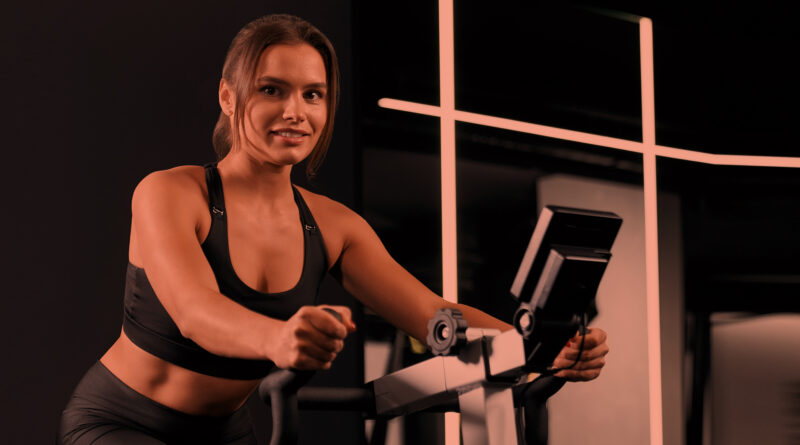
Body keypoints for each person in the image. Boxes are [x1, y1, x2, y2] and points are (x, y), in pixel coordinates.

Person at [58, 14, 609, 445]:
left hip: (226, 433)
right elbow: (194, 311)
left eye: (312, 94)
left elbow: (433, 315)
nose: (295, 111)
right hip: (121, 421)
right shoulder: (171, 193)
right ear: (229, 96)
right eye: (271, 89)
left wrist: (541, 348)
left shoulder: (334, 226)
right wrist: (275, 337)